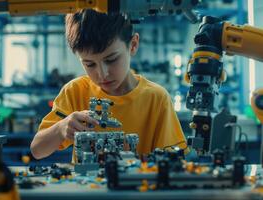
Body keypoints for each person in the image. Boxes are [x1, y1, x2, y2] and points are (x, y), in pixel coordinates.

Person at [30, 9, 187, 160]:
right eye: (90, 64)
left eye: (111, 60)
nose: (102, 74)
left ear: (133, 45)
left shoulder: (156, 98)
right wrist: (61, 128)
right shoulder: (75, 91)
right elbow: (37, 150)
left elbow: (174, 157)